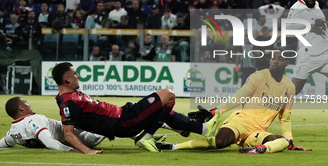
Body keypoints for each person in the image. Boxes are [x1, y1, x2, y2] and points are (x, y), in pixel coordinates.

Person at [158, 50, 312, 154]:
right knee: (221, 142)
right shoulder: (258, 76)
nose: (275, 61)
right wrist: (216, 111)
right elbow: (238, 97)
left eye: (280, 59)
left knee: (283, 141)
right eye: (273, 58)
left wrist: (290, 141)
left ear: (287, 63)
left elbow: (284, 118)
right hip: (240, 121)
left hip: (257, 131)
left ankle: (258, 149)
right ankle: (173, 146)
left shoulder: (289, 88)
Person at [52, 62, 221, 153]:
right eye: (75, 73)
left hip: (124, 116)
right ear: (66, 79)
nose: (78, 75)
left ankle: (204, 129)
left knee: (162, 110)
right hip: (125, 121)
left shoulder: (70, 98)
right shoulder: (68, 102)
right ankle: (146, 138)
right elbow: (68, 133)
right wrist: (87, 151)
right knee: (168, 95)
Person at [286, 0, 328, 95]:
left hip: (327, 55)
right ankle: (267, 107)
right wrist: (312, 23)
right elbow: (289, 27)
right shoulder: (297, 7)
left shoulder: (315, 4)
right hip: (308, 57)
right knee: (292, 91)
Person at [0, 97, 105, 152]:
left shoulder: (12, 133)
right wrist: (71, 150)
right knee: (108, 126)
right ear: (21, 108)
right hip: (77, 136)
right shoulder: (33, 120)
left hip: (74, 127)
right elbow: (48, 142)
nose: (29, 105)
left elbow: (3, 143)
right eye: (26, 103)